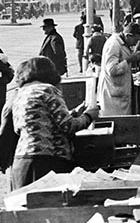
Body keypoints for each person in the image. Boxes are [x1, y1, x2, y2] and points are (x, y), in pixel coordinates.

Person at [9, 57, 99, 189]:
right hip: (47, 161)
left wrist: (73, 113)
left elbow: (35, 122)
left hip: (22, 162)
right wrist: (89, 116)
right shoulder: (48, 89)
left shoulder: (20, 94)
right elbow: (69, 126)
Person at [99, 23, 140, 116]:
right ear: (128, 35)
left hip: (120, 93)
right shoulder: (113, 44)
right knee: (117, 123)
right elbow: (112, 70)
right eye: (135, 40)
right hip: (113, 96)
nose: (136, 43)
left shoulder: (123, 43)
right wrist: (131, 59)